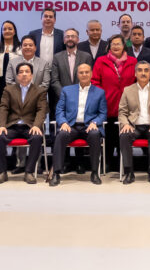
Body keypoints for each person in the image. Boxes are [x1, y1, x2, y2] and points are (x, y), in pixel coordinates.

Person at [50, 63, 107, 186]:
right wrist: (63, 122)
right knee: (61, 135)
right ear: (77, 74)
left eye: (87, 72)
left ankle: (94, 172)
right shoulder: (67, 90)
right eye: (81, 72)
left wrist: (95, 122)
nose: (84, 74)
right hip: (71, 126)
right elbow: (59, 110)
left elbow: (103, 113)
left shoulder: (99, 92)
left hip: (89, 126)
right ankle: (56, 173)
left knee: (95, 134)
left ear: (91, 74)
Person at [0, 63, 47, 185]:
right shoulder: (9, 89)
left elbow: (41, 110)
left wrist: (36, 125)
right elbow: (4, 108)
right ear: (17, 76)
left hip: (30, 126)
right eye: (21, 72)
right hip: (12, 125)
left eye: (27, 71)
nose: (24, 74)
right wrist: (1, 125)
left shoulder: (40, 91)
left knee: (37, 137)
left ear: (31, 75)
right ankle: (2, 172)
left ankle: (29, 172)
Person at [118, 61, 150, 185]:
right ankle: (129, 172)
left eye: (146, 70)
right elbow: (122, 112)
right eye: (140, 70)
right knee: (124, 135)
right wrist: (125, 124)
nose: (143, 73)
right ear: (135, 73)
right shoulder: (128, 90)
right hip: (133, 126)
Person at [92, 34, 137, 172]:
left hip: (127, 107)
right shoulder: (101, 61)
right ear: (109, 47)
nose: (116, 46)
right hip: (107, 104)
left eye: (119, 43)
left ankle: (123, 164)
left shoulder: (133, 61)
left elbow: (137, 83)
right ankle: (108, 163)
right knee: (109, 137)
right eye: (113, 44)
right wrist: (101, 97)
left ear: (124, 46)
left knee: (123, 136)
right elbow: (95, 82)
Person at [50, 28, 94, 162]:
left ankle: (79, 162)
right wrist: (65, 95)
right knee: (65, 131)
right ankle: (65, 161)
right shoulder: (57, 57)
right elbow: (54, 80)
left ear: (78, 39)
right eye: (67, 36)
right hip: (62, 101)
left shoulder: (86, 56)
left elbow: (88, 78)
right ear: (64, 40)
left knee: (79, 129)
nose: (70, 38)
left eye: (73, 36)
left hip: (82, 100)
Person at [0, 20, 22, 108]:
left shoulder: (20, 47)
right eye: (4, 29)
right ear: (2, 32)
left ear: (14, 32)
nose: (7, 31)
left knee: (15, 107)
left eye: (10, 29)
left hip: (15, 81)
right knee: (1, 107)